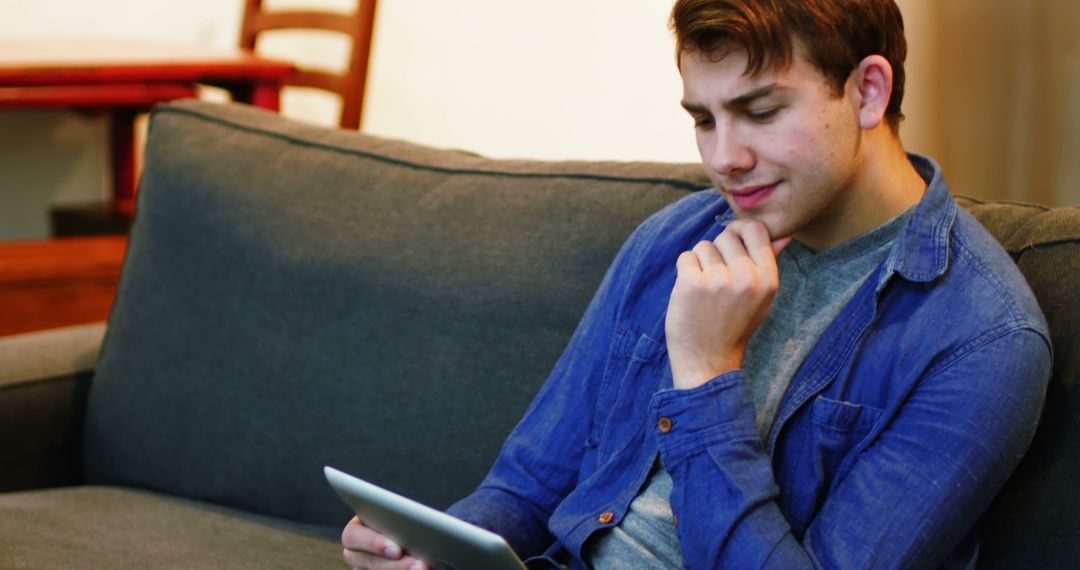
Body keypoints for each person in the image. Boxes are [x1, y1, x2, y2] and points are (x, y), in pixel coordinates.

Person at [342, 0, 1052, 567]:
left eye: (761, 112)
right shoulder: (672, 240)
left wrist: (707, 373)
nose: (724, 159)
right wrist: (432, 546)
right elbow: (525, 486)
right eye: (703, 119)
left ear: (868, 91)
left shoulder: (981, 339)